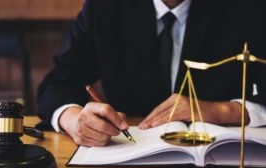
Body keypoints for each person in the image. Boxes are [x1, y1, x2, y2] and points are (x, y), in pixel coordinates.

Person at [37, 0, 266, 147]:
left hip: (219, 162)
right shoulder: (104, 7)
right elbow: (56, 84)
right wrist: (74, 119)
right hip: (125, 161)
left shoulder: (248, 8)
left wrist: (220, 110)